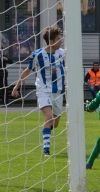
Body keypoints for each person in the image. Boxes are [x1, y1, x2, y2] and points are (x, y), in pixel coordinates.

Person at [11, 26, 64, 157]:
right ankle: (46, 150)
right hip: (43, 90)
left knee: (55, 123)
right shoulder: (38, 54)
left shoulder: (62, 53)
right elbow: (27, 70)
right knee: (48, 117)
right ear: (51, 41)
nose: (61, 41)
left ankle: (47, 129)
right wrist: (16, 87)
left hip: (58, 91)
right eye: (58, 39)